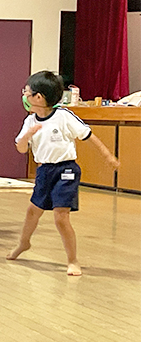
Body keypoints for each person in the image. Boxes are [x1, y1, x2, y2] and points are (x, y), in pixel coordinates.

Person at [7, 71, 119, 276]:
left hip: (66, 170)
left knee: (61, 217)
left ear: (38, 97)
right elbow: (21, 148)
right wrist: (28, 136)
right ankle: (23, 243)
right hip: (44, 170)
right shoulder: (30, 121)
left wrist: (108, 156)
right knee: (33, 211)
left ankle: (73, 260)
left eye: (27, 92)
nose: (24, 95)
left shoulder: (63, 116)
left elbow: (88, 136)